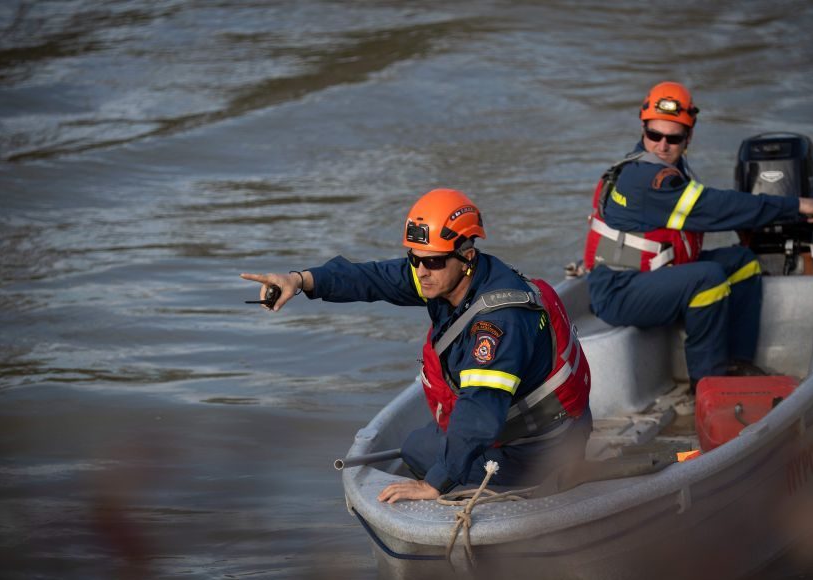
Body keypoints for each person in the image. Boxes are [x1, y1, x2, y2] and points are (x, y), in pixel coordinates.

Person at [242, 188, 592, 503]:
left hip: (542, 449)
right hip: (535, 429)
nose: (421, 271)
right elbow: (373, 278)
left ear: (467, 255)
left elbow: (480, 414)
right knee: (427, 442)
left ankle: (527, 485)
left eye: (432, 261)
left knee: (417, 449)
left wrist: (436, 483)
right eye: (415, 258)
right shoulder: (451, 276)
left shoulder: (498, 323)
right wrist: (300, 280)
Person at [582, 81, 813, 393]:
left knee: (742, 262)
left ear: (689, 137)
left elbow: (710, 210)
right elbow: (714, 207)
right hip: (618, 291)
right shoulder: (646, 178)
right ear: (643, 131)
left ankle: (737, 363)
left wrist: (746, 220)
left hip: (650, 276)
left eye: (674, 137)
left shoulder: (667, 167)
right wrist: (795, 206)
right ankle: (709, 387)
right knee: (707, 277)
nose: (662, 145)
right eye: (653, 135)